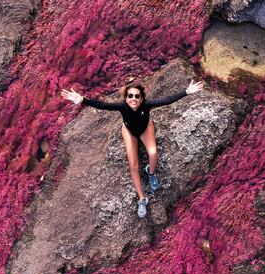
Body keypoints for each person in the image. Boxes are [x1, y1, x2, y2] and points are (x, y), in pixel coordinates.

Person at [61, 80, 204, 218]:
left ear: (141, 99)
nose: (133, 99)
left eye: (137, 96)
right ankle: (142, 199)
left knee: (153, 153)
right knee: (133, 166)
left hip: (145, 129)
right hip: (129, 131)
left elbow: (166, 100)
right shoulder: (122, 107)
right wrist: (81, 99)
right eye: (130, 96)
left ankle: (151, 172)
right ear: (126, 98)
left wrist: (186, 92)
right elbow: (102, 105)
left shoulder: (146, 105)